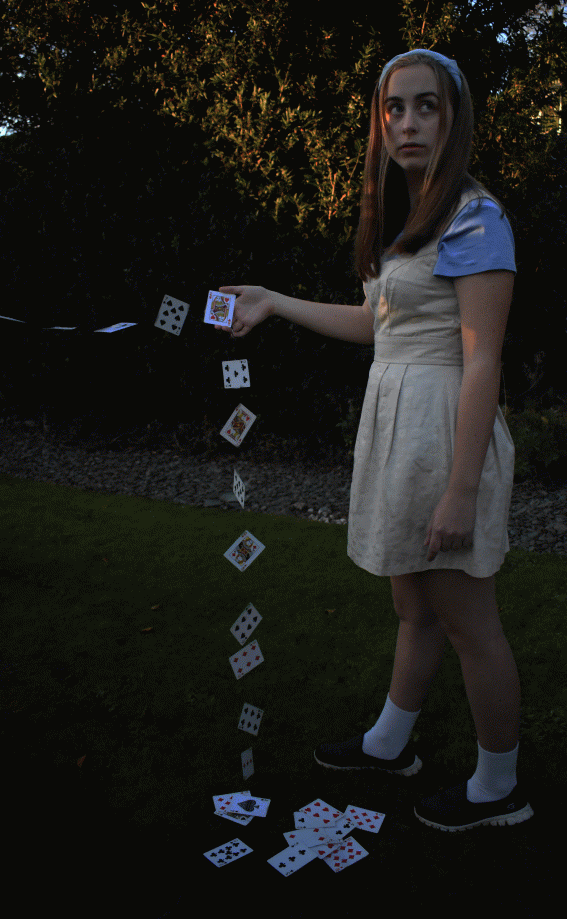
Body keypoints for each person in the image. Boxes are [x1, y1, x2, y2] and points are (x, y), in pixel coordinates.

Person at [215, 48, 533, 831]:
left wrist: (461, 488)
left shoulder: (475, 217)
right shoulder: (409, 219)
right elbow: (375, 326)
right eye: (394, 107)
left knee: (467, 619)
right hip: (398, 430)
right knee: (411, 602)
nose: (407, 122)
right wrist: (273, 301)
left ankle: (499, 787)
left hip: (443, 433)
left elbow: (482, 359)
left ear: (454, 118)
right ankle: (389, 744)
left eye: (425, 106)